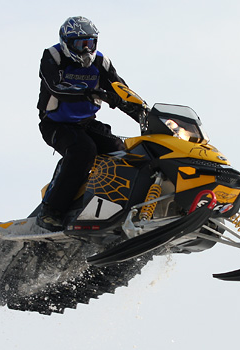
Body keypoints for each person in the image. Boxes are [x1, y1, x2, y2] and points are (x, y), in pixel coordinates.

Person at [36, 16, 142, 231]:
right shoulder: (53, 57)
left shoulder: (101, 63)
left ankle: (116, 209)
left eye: (90, 43)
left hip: (86, 123)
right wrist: (89, 92)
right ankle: (51, 211)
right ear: (66, 43)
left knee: (122, 152)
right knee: (84, 149)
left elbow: (122, 90)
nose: (86, 49)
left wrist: (144, 113)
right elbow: (56, 88)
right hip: (56, 124)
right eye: (80, 44)